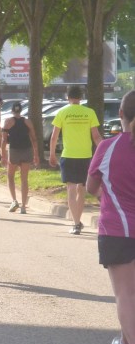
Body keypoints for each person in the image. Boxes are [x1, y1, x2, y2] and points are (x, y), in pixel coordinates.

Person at [86, 90, 135, 344]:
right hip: (120, 230)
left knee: (125, 293)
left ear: (121, 115)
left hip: (118, 230)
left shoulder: (108, 147)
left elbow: (91, 188)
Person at [49, 85, 102, 235]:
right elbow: (96, 136)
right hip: (85, 156)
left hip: (68, 155)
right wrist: (104, 151)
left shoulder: (62, 112)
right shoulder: (89, 112)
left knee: (71, 189)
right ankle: (78, 221)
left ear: (67, 97)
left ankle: (76, 223)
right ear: (81, 96)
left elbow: (54, 137)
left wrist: (52, 154)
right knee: (81, 190)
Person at [2, 101, 39, 214]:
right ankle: (23, 206)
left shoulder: (8, 122)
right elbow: (34, 139)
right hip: (27, 150)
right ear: (21, 110)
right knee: (24, 179)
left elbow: (4, 140)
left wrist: (3, 154)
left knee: (10, 176)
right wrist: (36, 154)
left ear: (12, 110)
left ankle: (14, 200)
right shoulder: (27, 122)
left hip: (14, 151)